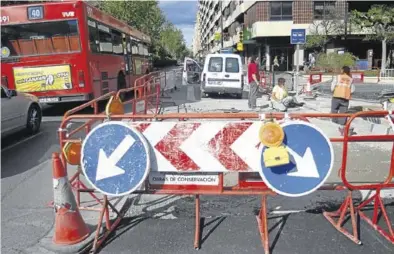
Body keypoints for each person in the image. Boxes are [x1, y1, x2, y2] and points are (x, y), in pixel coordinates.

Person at [331, 66, 356, 135]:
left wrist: (333, 90)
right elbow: (353, 90)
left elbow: (333, 86)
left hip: (336, 96)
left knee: (334, 111)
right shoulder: (350, 79)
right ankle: (341, 127)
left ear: (343, 70)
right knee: (343, 113)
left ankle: (335, 125)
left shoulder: (338, 77)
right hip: (345, 98)